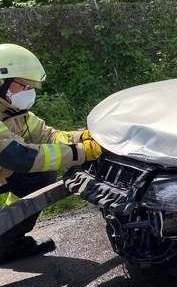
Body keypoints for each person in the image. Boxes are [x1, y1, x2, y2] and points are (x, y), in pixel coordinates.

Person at [0, 43, 102, 265]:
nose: (30, 91)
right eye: (24, 85)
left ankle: (7, 244)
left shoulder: (14, 111)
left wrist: (88, 138)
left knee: (41, 175)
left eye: (32, 86)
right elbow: (20, 157)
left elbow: (51, 136)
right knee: (34, 166)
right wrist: (83, 153)